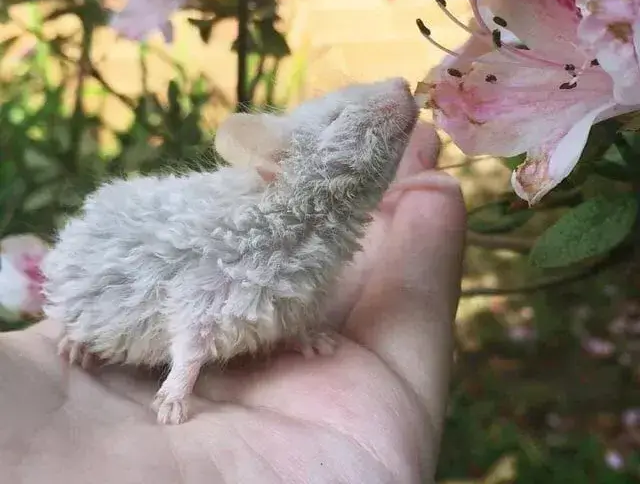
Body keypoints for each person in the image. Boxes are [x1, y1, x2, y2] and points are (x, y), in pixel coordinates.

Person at [0, 122, 466, 484]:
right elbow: (201, 300)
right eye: (345, 122)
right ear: (282, 166)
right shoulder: (249, 236)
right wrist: (179, 382)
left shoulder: (317, 240)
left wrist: (299, 330)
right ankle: (75, 329)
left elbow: (288, 295)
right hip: (107, 301)